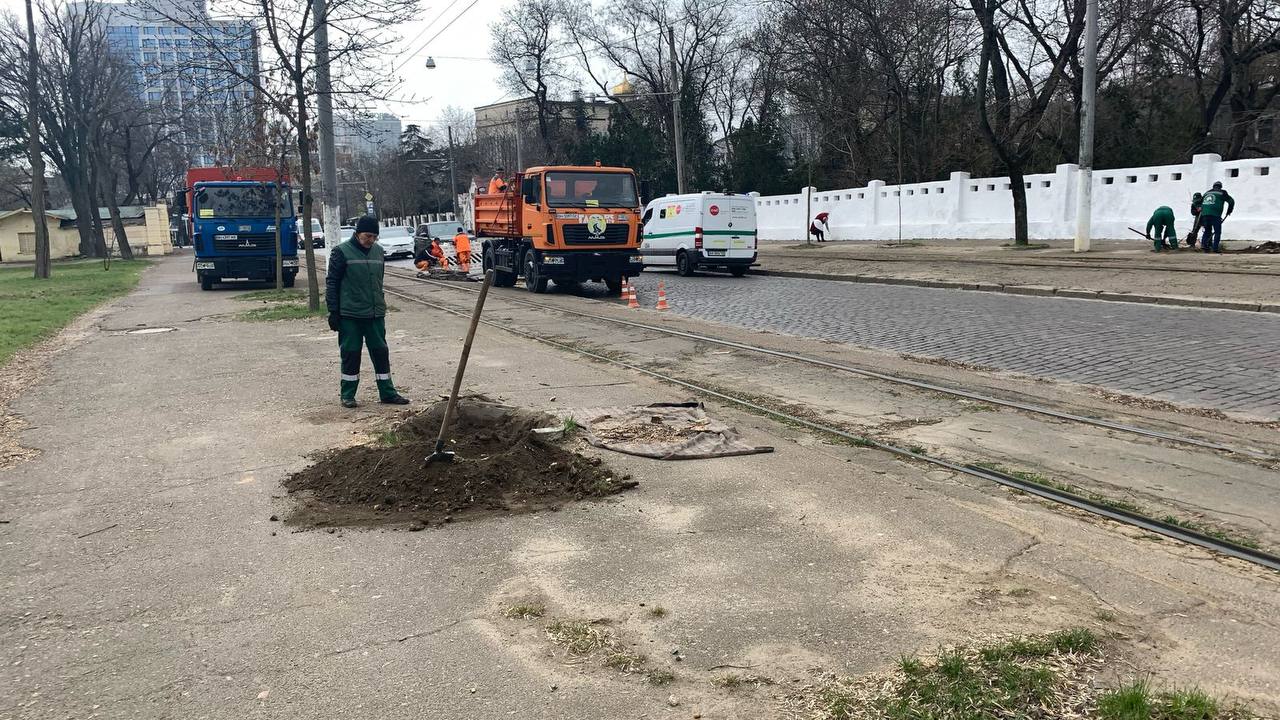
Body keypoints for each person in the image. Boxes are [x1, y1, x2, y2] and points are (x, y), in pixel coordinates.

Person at [325, 216, 410, 409]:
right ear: (357, 233)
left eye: (374, 236)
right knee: (351, 354)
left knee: (381, 353)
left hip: (375, 314)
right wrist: (333, 312)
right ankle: (347, 395)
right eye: (367, 236)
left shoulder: (379, 252)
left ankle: (388, 393)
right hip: (350, 315)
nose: (370, 240)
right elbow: (332, 283)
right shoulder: (341, 252)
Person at [1198, 181, 1235, 254]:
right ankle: (1215, 248)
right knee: (1217, 232)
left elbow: (1201, 203)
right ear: (1220, 186)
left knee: (1207, 231)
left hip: (1205, 214)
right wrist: (1229, 211)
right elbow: (1231, 201)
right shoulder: (1222, 192)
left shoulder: (1207, 193)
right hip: (1215, 215)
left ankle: (1204, 246)